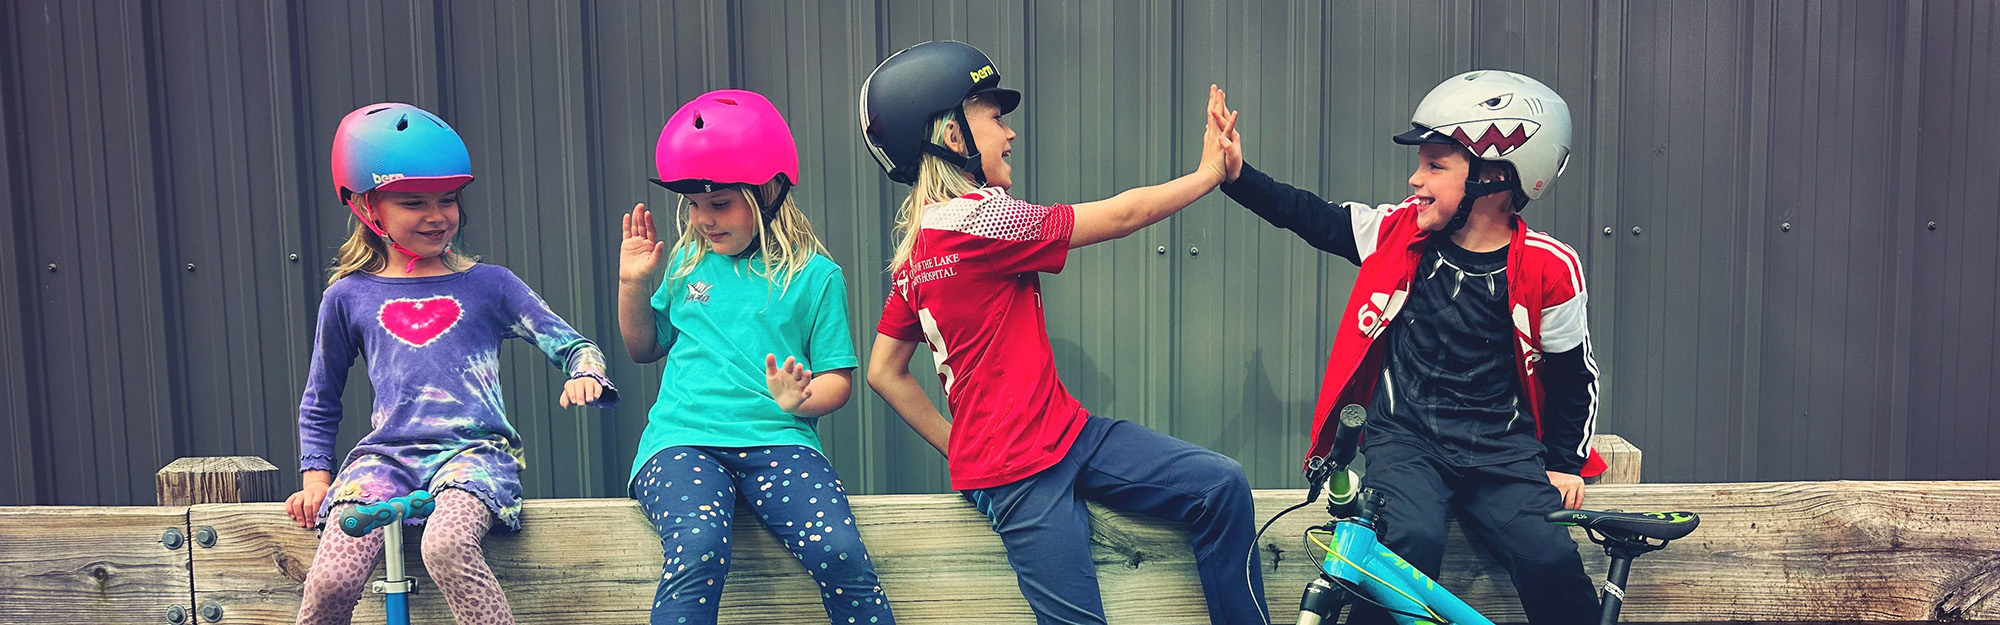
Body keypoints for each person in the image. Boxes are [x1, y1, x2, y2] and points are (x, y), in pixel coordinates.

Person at [858, 40, 1270, 625]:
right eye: (994, 118)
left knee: (1221, 486)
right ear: (953, 137)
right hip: (1020, 474)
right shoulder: (981, 221)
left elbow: (883, 371)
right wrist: (1208, 174)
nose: (1009, 134)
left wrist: (961, 450)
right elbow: (1124, 215)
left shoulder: (919, 250)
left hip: (1067, 434)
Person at [1214, 70, 1606, 625]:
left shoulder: (1551, 266)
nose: (1414, 178)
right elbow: (1316, 217)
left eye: (1434, 166)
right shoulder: (1400, 232)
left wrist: (1565, 464)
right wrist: (1238, 177)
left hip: (1503, 450)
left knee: (1549, 555)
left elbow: (1574, 378)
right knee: (1403, 543)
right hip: (1408, 438)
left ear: (1495, 177)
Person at [288, 102, 619, 625]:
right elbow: (321, 396)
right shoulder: (348, 296)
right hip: (385, 461)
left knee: (446, 547)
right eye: (414, 202)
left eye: (448, 200)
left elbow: (575, 344)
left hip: (472, 455)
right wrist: (315, 477)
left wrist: (586, 373)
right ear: (366, 208)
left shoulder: (490, 285)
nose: (437, 215)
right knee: (330, 578)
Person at [618, 89, 894, 625]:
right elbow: (643, 348)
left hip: (779, 443)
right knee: (697, 548)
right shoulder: (684, 265)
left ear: (767, 191)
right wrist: (632, 285)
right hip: (682, 443)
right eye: (694, 205)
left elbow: (839, 380)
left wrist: (801, 399)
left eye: (719, 203)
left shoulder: (815, 276)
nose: (702, 219)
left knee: (840, 551)